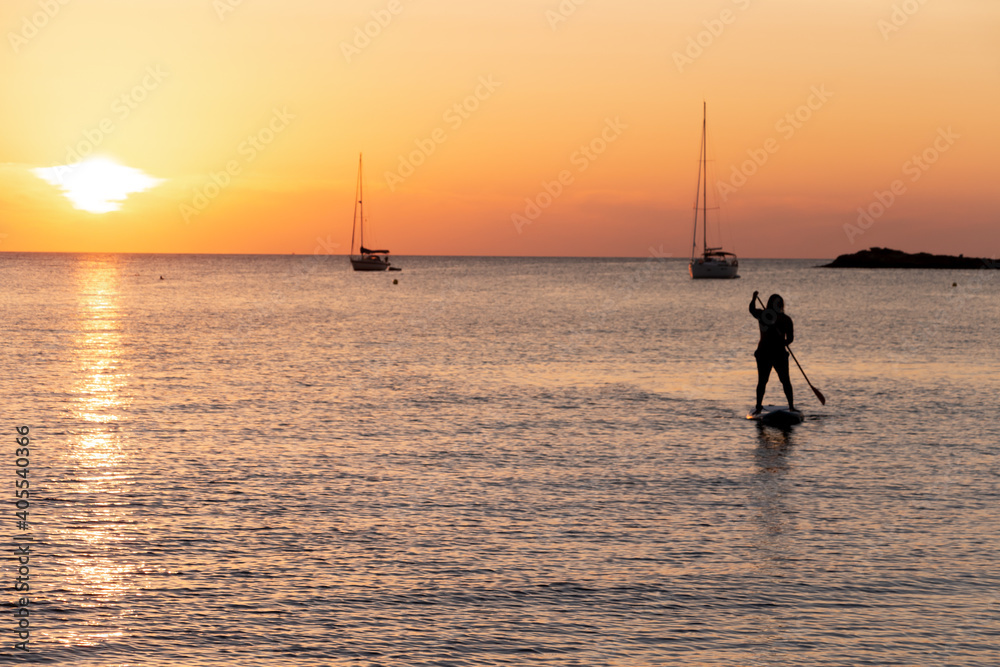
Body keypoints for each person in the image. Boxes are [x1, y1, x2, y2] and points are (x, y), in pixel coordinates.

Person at [749, 291, 794, 414]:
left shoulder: (784, 319)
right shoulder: (765, 315)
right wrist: (753, 298)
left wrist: (783, 342)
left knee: (784, 381)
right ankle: (759, 406)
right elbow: (752, 310)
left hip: (776, 354)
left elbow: (790, 339)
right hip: (766, 354)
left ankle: (790, 406)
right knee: (765, 381)